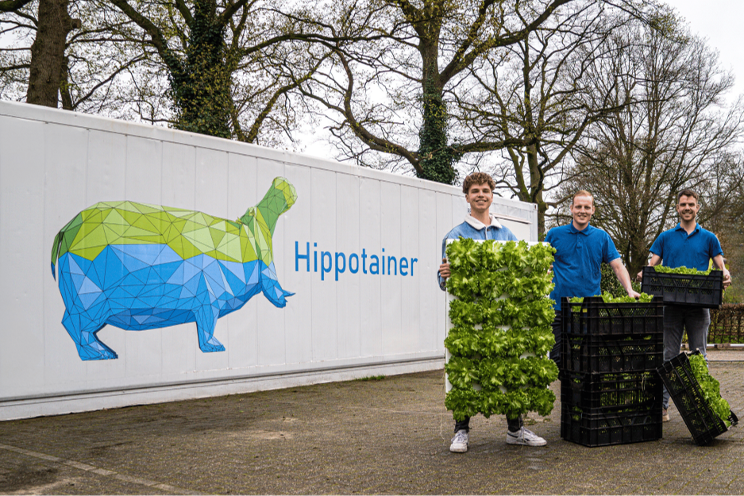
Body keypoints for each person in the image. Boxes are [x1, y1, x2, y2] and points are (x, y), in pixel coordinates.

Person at [437, 172, 547, 453]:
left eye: (485, 190)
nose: (481, 195)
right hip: (471, 319)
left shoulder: (506, 234)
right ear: (467, 197)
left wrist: (537, 270)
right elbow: (443, 283)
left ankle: (515, 429)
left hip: (502, 318)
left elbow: (518, 274)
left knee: (508, 366)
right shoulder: (455, 236)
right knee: (467, 369)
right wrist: (445, 274)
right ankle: (461, 430)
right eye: (475, 191)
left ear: (491, 195)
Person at [637, 189, 732, 422]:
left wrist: (726, 274)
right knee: (668, 355)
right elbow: (652, 265)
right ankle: (663, 407)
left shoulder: (709, 238)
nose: (687, 208)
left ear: (697, 207)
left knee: (699, 356)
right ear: (677, 208)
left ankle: (704, 407)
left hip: (699, 306)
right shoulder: (665, 237)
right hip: (671, 306)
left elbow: (721, 266)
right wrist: (644, 274)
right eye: (683, 204)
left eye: (691, 204)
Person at [544, 190, 640, 367]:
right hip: (558, 308)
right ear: (571, 208)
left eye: (586, 207)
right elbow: (543, 264)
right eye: (578, 206)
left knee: (587, 360)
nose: (582, 210)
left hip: (590, 310)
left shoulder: (602, 237)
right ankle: (566, 394)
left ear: (593, 210)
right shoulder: (554, 234)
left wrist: (629, 289)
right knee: (558, 360)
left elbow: (618, 266)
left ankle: (582, 395)